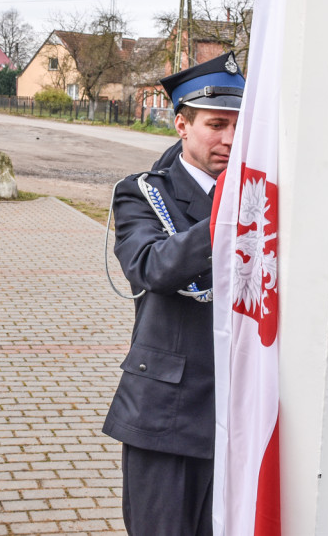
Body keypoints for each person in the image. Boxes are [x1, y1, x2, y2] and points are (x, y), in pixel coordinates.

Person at [102, 52, 245, 536]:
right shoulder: (143, 192)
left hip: (241, 408)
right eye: (216, 124)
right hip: (166, 411)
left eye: (239, 126)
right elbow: (150, 267)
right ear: (182, 124)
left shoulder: (266, 197)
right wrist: (228, 216)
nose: (229, 139)